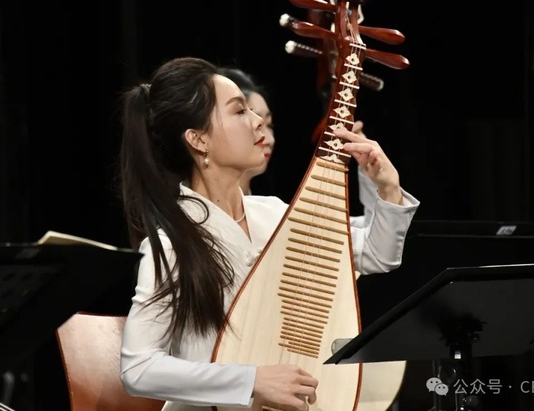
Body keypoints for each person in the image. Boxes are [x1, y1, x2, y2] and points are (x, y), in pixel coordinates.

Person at [117, 56, 419, 410]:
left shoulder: (274, 214)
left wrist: (387, 189)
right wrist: (250, 381)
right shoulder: (174, 243)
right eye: (239, 111)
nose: (258, 120)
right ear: (198, 140)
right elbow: (137, 368)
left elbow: (376, 255)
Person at [217, 67, 274, 195]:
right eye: (257, 125)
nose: (270, 140)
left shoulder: (272, 205)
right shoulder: (182, 205)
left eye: (270, 125)